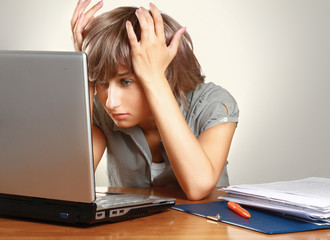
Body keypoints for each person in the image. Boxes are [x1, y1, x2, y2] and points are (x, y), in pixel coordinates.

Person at [71, 0, 239, 200]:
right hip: (134, 231)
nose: (110, 102)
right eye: (101, 81)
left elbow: (198, 186)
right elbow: (69, 183)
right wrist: (84, 66)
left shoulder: (214, 104)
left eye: (125, 82)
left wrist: (155, 77)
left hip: (204, 230)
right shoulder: (98, 110)